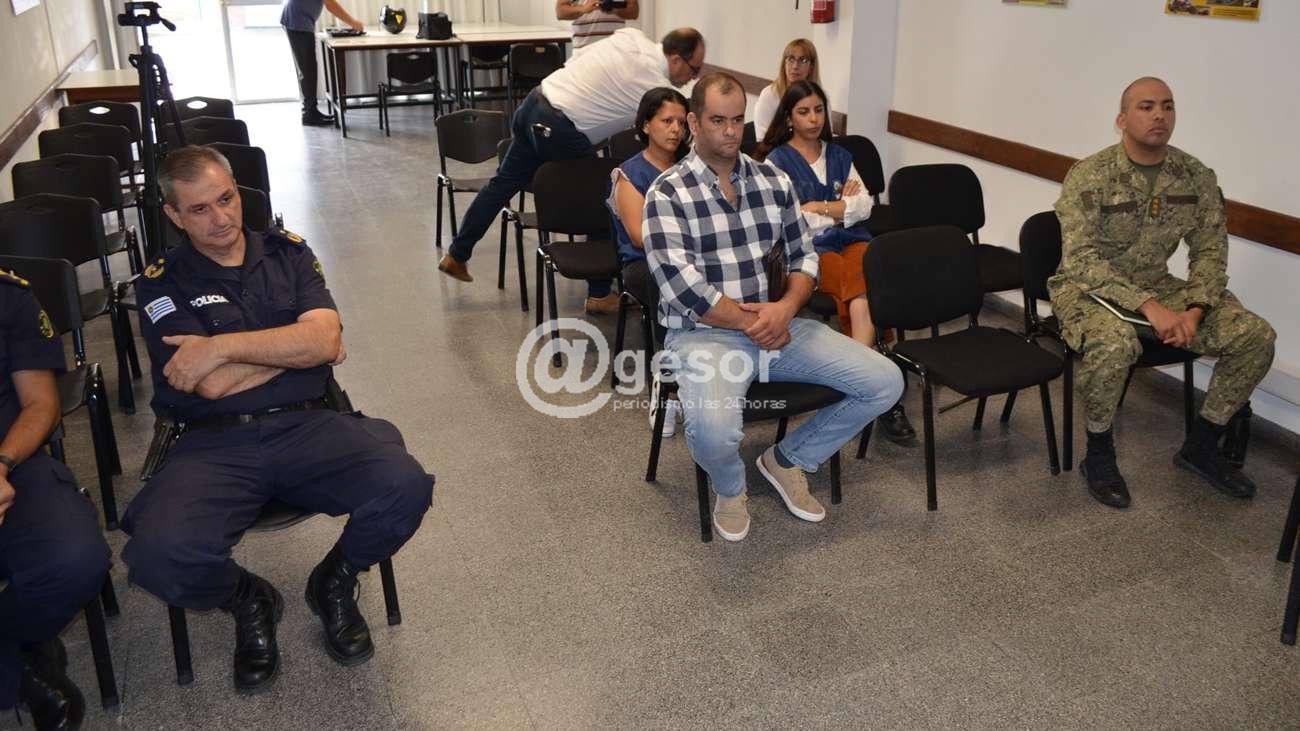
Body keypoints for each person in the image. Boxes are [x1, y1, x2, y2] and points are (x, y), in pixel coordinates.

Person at [123, 146, 434, 693]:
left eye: (227, 198)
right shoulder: (161, 281)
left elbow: (324, 341)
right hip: (214, 441)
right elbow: (211, 385)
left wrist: (220, 348)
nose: (221, 218)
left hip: (309, 424)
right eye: (200, 209)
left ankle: (334, 579)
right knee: (157, 555)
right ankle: (249, 600)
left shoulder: (288, 253)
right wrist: (297, 349)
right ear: (173, 215)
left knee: (405, 486)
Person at [643, 73, 904, 542]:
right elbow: (683, 288)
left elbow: (805, 257)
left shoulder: (772, 180)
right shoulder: (667, 193)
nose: (730, 131)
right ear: (693, 124)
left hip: (779, 323)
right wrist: (758, 321)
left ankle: (787, 459)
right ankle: (730, 487)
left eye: (737, 120)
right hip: (705, 335)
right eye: (717, 120)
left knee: (886, 381)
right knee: (714, 432)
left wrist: (785, 309)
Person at [1049, 76, 1275, 509]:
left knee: (1254, 335)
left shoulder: (1194, 175)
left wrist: (1195, 309)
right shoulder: (1091, 175)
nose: (1159, 116)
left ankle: (1202, 446)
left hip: (1158, 285)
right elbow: (1081, 260)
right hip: (1085, 290)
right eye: (1146, 106)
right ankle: (1098, 454)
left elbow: (1210, 251)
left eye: (1167, 106)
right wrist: (1148, 307)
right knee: (1114, 344)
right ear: (1121, 120)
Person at [437, 26, 704, 315]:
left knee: (502, 184)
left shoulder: (631, 36)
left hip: (536, 102)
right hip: (560, 127)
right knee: (609, 198)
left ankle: (457, 254)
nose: (693, 77)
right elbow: (678, 120)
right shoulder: (653, 85)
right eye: (694, 69)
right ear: (676, 60)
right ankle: (600, 294)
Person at [755, 80, 916, 444]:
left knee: (864, 272)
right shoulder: (776, 162)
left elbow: (865, 206)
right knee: (859, 284)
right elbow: (788, 220)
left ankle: (858, 375)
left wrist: (819, 207)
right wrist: (840, 207)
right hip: (809, 251)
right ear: (789, 118)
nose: (814, 119)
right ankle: (874, 377)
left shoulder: (840, 155)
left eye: (818, 110)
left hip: (854, 240)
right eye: (804, 112)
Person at [0, 268, 112, 730]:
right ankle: (20, 665)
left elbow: (41, 405)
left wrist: (2, 464)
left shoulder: (8, 297)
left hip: (13, 463)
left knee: (76, 559)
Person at [607, 87, 688, 436]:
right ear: (645, 125)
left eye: (681, 122)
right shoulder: (630, 174)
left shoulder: (691, 167)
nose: (675, 129)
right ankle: (667, 385)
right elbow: (641, 236)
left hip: (688, 258)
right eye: (667, 121)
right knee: (667, 282)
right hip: (644, 265)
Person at [281, 0, 365, 126]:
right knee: (308, 70)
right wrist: (353, 23)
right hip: (297, 21)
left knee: (308, 69)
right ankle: (309, 114)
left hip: (298, 20)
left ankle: (311, 111)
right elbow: (330, 4)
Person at [752, 38, 827, 141]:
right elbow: (763, 140)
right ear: (784, 64)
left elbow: (826, 136)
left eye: (803, 60)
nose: (795, 66)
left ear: (811, 67)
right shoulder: (769, 94)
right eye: (791, 59)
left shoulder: (820, 96)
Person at [556, 0, 640, 53]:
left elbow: (634, 12)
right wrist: (583, 9)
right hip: (584, 51)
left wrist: (615, 10)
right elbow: (560, 13)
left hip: (615, 51)